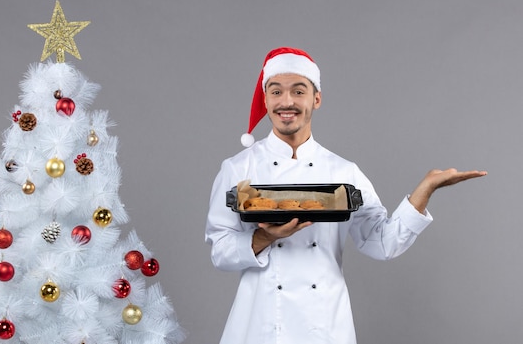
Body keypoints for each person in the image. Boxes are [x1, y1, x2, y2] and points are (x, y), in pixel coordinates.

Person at [204, 47, 487, 344]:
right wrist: (267, 237)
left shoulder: (344, 172)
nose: (286, 102)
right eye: (276, 92)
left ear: (316, 99)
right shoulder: (238, 168)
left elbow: (382, 243)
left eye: (298, 91)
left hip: (323, 323)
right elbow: (220, 251)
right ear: (266, 100)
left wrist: (425, 189)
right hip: (261, 323)